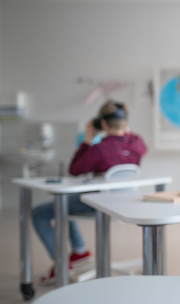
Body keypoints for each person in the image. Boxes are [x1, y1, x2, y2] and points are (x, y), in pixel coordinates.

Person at [32, 100, 147, 284]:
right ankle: (80, 251)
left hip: (101, 205)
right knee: (68, 201)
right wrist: (126, 130)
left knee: (39, 212)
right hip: (126, 203)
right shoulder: (137, 143)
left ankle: (61, 264)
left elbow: (75, 169)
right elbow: (139, 145)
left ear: (102, 123)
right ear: (125, 122)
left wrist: (87, 138)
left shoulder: (99, 148)